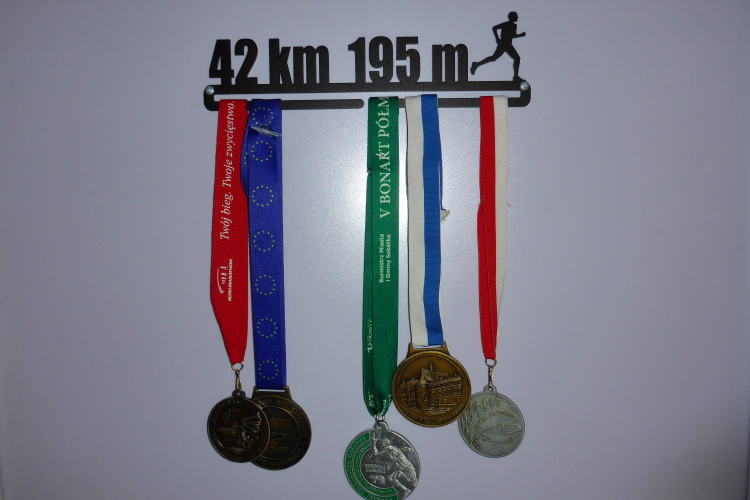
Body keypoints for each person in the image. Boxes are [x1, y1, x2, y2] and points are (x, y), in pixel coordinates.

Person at [471, 11, 525, 81]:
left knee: (497, 58)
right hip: (503, 44)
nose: (517, 18)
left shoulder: (514, 26)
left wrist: (520, 35)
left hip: (508, 45)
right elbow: (494, 28)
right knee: (495, 58)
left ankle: (516, 76)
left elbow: (512, 35)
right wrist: (497, 38)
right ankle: (476, 64)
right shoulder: (506, 24)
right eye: (516, 16)